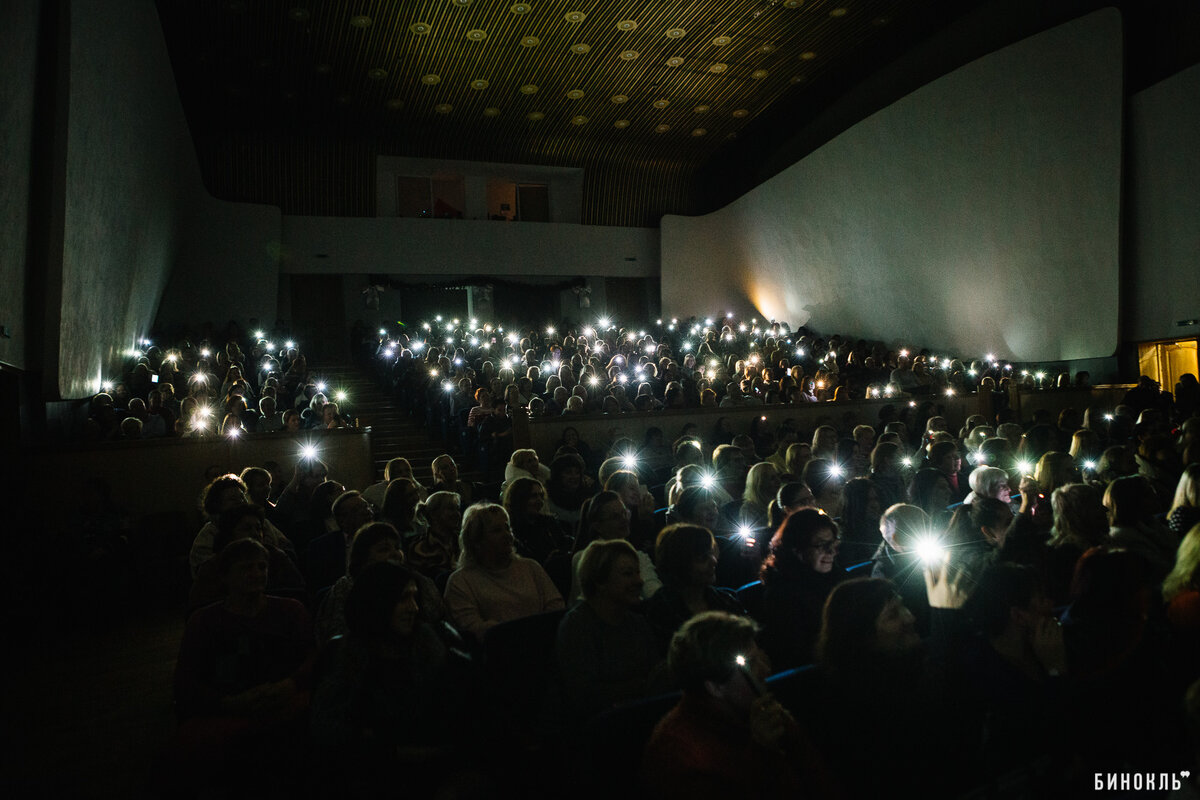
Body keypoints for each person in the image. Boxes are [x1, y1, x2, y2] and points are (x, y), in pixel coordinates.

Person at [309, 561, 471, 791]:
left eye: (415, 597)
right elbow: (332, 735)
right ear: (378, 604)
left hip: (436, 766)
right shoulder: (345, 659)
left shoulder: (430, 648)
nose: (413, 608)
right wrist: (390, 750)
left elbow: (458, 709)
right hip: (373, 776)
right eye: (403, 598)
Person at [640, 612, 832, 799]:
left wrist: (791, 735)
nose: (766, 670)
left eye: (761, 658)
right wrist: (763, 754)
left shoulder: (755, 710)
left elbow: (819, 781)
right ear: (715, 687)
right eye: (751, 664)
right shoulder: (678, 755)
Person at [556, 539, 662, 722]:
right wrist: (640, 686)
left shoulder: (638, 623)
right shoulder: (577, 627)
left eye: (637, 573)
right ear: (600, 581)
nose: (639, 581)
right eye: (628, 574)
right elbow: (583, 697)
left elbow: (656, 675)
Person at [442, 503, 564, 643]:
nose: (507, 535)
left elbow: (556, 605)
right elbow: (474, 629)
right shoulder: (460, 582)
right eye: (497, 530)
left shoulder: (531, 567)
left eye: (507, 528)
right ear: (477, 541)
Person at [757, 508, 845, 669]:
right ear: (797, 549)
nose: (831, 551)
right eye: (821, 545)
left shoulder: (836, 575)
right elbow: (802, 653)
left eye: (832, 543)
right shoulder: (781, 594)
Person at [643, 524, 745, 650]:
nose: (713, 561)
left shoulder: (725, 600)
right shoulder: (661, 609)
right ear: (681, 565)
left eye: (711, 554)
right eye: (702, 558)